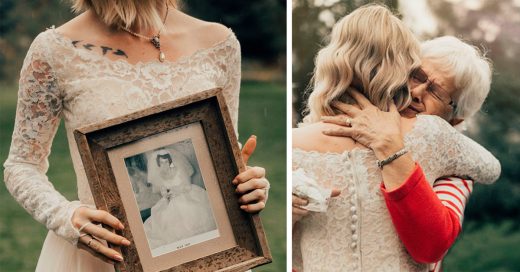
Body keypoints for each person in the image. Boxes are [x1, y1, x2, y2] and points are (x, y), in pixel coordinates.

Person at [3, 1, 269, 271]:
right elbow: (22, 166)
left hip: (209, 253)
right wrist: (65, 217)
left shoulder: (219, 43)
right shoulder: (55, 50)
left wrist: (248, 185)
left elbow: (222, 148)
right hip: (107, 255)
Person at [292, 4, 500, 272]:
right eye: (416, 76)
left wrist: (391, 147)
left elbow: (431, 247)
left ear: (455, 120)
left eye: (436, 92)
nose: (416, 92)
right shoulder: (306, 139)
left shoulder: (451, 163)